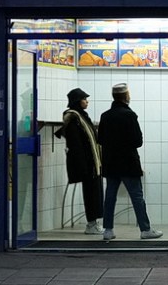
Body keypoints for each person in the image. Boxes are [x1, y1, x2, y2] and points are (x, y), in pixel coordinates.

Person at [97, 83, 163, 240]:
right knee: (137, 196)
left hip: (110, 162)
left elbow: (100, 140)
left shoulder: (105, 116)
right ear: (126, 96)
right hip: (128, 162)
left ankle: (108, 230)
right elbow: (138, 141)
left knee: (110, 196)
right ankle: (145, 230)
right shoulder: (129, 115)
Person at [55, 88, 105, 235]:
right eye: (84, 99)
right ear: (77, 101)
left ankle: (94, 222)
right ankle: (91, 224)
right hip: (87, 163)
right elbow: (76, 144)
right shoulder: (73, 118)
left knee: (95, 192)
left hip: (93, 162)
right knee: (90, 192)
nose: (87, 101)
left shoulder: (80, 116)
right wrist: (83, 165)